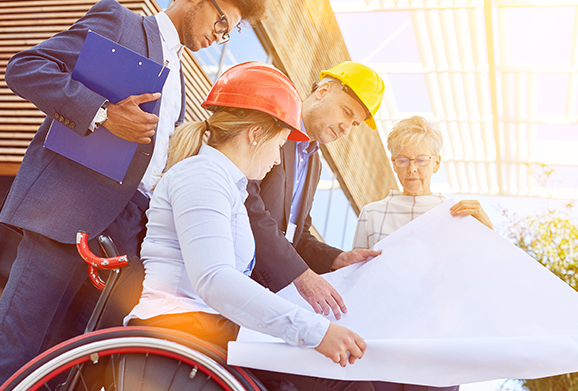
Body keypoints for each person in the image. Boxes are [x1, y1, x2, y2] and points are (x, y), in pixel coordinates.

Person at [0, 0, 266, 390]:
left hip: (122, 242)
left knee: (61, 374)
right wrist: (103, 114)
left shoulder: (179, 77)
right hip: (67, 222)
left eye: (230, 32)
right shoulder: (121, 24)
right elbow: (25, 67)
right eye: (223, 23)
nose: (221, 38)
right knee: (12, 356)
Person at [125, 62, 373, 391]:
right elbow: (215, 279)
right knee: (341, 382)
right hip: (181, 328)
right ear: (255, 135)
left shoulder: (227, 186)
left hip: (208, 326)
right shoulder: (202, 176)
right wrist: (316, 331)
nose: (276, 158)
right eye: (280, 142)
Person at [352, 115, 494, 391]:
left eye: (421, 160)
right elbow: (356, 281)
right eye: (403, 160)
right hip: (383, 340)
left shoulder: (457, 214)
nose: (412, 169)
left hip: (438, 342)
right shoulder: (372, 214)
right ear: (393, 162)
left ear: (436, 162)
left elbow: (481, 277)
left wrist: (487, 231)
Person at [246, 61, 386, 321]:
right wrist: (300, 275)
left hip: (266, 293)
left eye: (354, 124)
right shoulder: (272, 124)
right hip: (235, 278)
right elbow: (247, 205)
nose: (346, 128)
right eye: (346, 112)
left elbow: (297, 235)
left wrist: (338, 258)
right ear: (322, 91)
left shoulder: (314, 163)